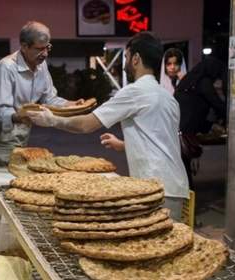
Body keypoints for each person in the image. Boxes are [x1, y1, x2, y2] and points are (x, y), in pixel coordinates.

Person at [27, 32, 189, 221]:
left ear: (136, 59)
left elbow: (86, 125)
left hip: (154, 187)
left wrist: (52, 120)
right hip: (176, 187)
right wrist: (124, 144)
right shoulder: (167, 97)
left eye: (127, 57)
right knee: (170, 245)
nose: (126, 62)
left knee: (152, 246)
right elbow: (162, 139)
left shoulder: (135, 92)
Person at [0, 21, 84, 166]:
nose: (45, 54)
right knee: (6, 176)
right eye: (40, 49)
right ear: (24, 46)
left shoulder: (40, 64)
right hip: (2, 133)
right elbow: (2, 110)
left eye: (47, 47)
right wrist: (20, 115)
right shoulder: (6, 68)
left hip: (23, 130)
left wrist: (71, 104)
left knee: (19, 172)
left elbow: (48, 97)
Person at [174, 57, 227, 186]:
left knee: (182, 168)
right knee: (185, 170)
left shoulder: (189, 79)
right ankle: (186, 199)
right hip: (186, 130)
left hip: (177, 127)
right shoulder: (203, 82)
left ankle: (186, 197)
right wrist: (230, 115)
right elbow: (217, 104)